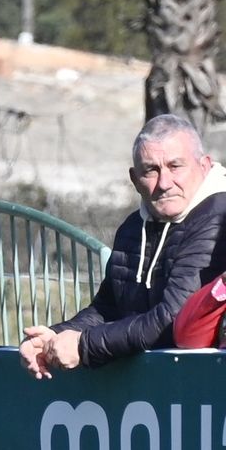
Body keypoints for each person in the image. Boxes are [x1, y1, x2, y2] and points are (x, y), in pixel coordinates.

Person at [22, 112, 226, 377]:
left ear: (204, 165)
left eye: (175, 166)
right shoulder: (133, 227)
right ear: (134, 178)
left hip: (202, 387)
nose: (164, 183)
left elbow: (172, 321)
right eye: (151, 170)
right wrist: (53, 339)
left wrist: (83, 346)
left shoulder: (218, 218)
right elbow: (108, 308)